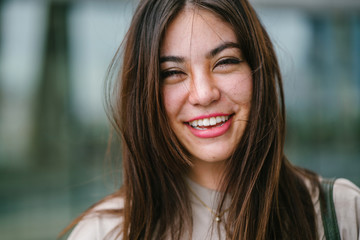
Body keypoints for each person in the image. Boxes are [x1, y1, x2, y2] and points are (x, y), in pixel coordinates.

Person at [63, 0, 360, 239]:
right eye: (172, 73)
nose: (204, 94)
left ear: (258, 71)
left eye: (225, 62)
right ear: (146, 95)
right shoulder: (103, 233)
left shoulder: (341, 212)